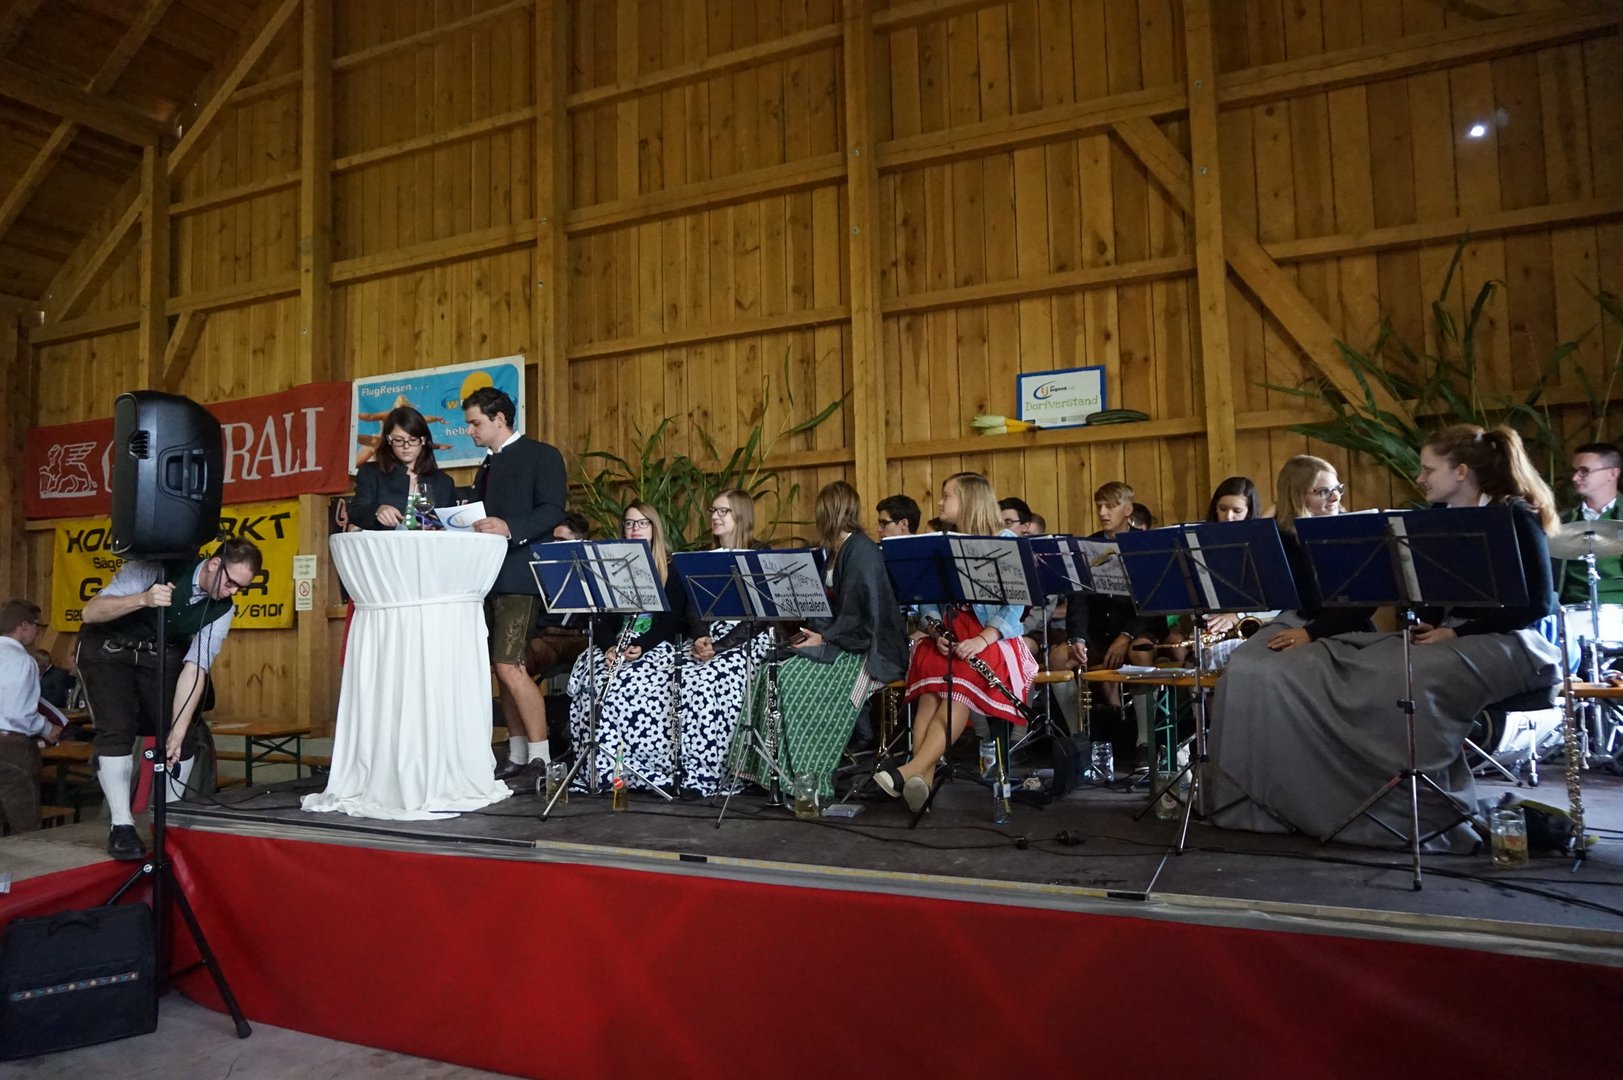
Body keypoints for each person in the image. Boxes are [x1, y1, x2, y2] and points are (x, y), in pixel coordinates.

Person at [1209, 427, 1560, 849]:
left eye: (1428, 469)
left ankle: (1416, 805)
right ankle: (1349, 794)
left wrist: (1454, 630)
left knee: (1403, 677)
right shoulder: (1438, 517)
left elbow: (1539, 604)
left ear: (1461, 471)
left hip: (1511, 641)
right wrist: (1431, 623)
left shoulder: (1514, 515)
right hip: (1454, 637)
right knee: (1367, 669)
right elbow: (1431, 591)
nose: (1420, 478)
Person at [79, 539, 261, 859]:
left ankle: (170, 820)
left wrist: (176, 730)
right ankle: (121, 826)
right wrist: (144, 599)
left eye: (240, 588)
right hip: (108, 649)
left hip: (158, 654)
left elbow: (196, 667)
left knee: (184, 736)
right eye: (231, 582)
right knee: (116, 731)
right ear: (214, 564)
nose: (232, 591)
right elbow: (91, 612)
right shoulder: (155, 568)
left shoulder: (222, 609)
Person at [732, 481, 908, 801]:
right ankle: (769, 769)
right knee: (771, 669)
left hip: (869, 649)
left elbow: (863, 615)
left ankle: (804, 774)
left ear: (829, 512)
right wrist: (816, 634)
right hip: (841, 638)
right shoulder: (834, 549)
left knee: (788, 680)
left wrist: (825, 638)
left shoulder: (861, 551)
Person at [876, 473, 1036, 812]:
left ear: (968, 500)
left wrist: (981, 639)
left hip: (994, 637)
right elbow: (928, 602)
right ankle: (921, 780)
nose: (939, 502)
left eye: (946, 495)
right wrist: (936, 631)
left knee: (956, 685)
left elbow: (1014, 607)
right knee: (930, 687)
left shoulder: (1005, 540)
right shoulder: (942, 544)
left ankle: (911, 771)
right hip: (951, 633)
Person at [463, 386, 568, 782]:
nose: (470, 431)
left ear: (500, 419)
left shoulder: (542, 455)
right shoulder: (486, 466)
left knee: (509, 664)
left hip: (521, 575)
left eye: (475, 423)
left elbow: (553, 510)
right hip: (486, 576)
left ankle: (541, 755)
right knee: (501, 666)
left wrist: (510, 527)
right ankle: (519, 751)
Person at [566, 502, 688, 792]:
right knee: (593, 685)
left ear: (654, 528)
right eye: (630, 523)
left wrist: (641, 646)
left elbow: (671, 621)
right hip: (615, 644)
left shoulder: (671, 567)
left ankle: (638, 769)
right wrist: (609, 647)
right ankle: (599, 769)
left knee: (630, 685)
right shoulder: (611, 567)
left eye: (643, 523)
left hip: (653, 645)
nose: (635, 529)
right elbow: (601, 617)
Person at [678, 490, 773, 796]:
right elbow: (693, 605)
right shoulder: (705, 555)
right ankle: (686, 771)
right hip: (710, 636)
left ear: (741, 516)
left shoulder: (759, 553)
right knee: (680, 675)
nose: (715, 517)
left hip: (749, 637)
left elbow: (763, 614)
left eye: (723, 512)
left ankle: (718, 773)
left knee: (711, 678)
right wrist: (700, 637)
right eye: (713, 511)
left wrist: (720, 647)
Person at [1255, 455, 1372, 653]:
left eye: (1337, 489)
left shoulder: (1353, 531)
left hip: (1342, 629)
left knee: (1284, 665)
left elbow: (1364, 604)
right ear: (1297, 496)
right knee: (1245, 659)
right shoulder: (1283, 536)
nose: (1335, 498)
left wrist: (1310, 633)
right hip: (1296, 621)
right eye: (1324, 492)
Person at [1, 601, 63, 835]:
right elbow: (19, 713)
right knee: (25, 824)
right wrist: (47, 728)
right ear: (23, 626)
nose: (38, 631)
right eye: (37, 625)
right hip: (11, 747)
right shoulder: (21, 660)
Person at [1556, 444, 1623, 657]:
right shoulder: (1561, 521)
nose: (1575, 477)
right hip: (1569, 615)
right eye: (1574, 471)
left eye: (1584, 471)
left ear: (1612, 473)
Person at [348, 406, 458, 530]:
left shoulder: (444, 482)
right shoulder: (371, 473)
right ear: (388, 440)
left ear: (423, 440)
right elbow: (356, 511)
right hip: (387, 542)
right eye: (398, 440)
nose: (406, 446)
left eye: (413, 440)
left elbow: (451, 524)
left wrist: (441, 528)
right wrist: (377, 511)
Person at [525, 513, 593, 677]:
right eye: (553, 540)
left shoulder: (594, 570)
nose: (554, 545)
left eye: (561, 541)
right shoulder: (540, 568)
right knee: (515, 661)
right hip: (547, 637)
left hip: (582, 638)